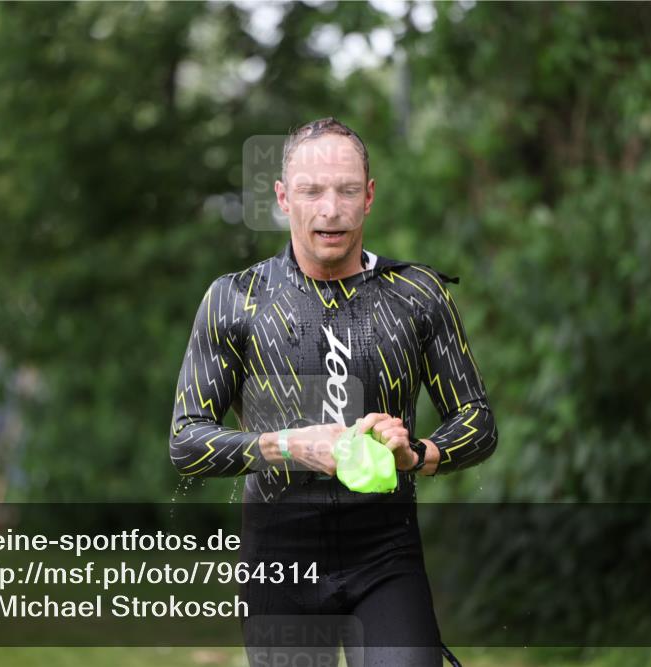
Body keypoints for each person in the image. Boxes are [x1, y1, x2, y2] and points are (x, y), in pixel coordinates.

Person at [169, 118, 498, 666]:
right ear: (282, 198)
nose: (330, 209)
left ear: (368, 197)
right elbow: (185, 442)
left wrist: (416, 452)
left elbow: (479, 422)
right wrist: (288, 445)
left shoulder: (417, 295)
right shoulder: (235, 300)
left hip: (386, 551)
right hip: (278, 559)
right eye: (311, 191)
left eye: (347, 189)